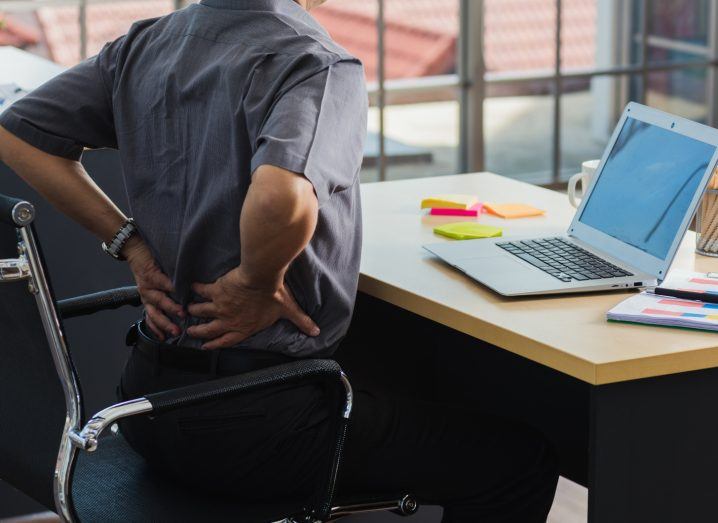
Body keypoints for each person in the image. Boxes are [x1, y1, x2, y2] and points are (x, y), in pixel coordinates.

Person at [0, 0, 559, 521]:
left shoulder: (148, 43)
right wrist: (253, 282)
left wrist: (130, 243)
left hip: (147, 407)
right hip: (257, 427)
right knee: (519, 459)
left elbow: (17, 133)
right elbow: (279, 196)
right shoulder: (314, 62)